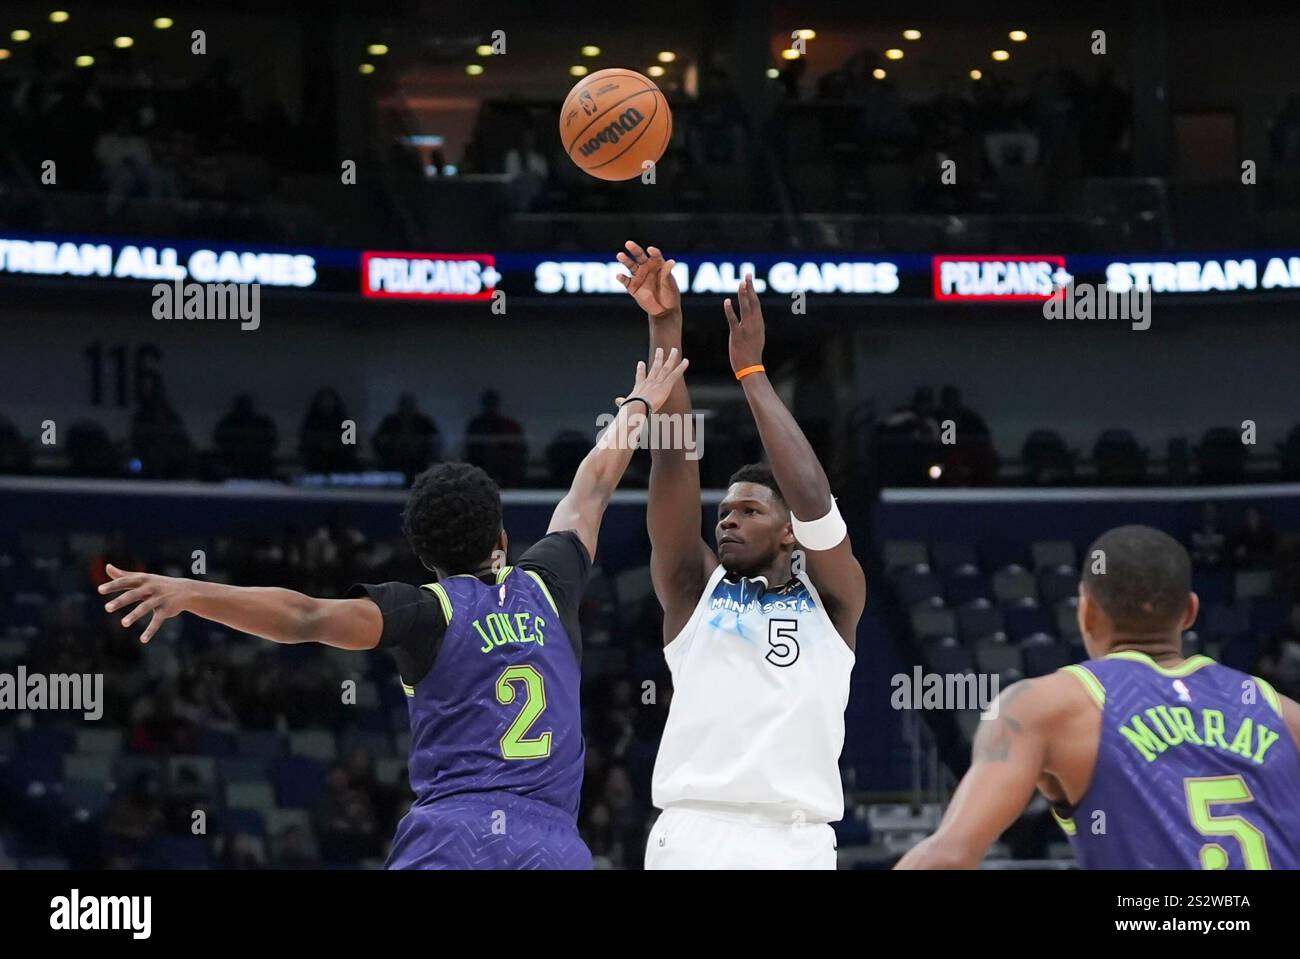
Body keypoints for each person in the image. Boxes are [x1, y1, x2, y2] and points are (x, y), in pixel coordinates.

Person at [100, 348, 688, 869]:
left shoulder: (423, 612)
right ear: (503, 538)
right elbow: (592, 486)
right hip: (551, 845)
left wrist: (191, 592)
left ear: (423, 554)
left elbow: (304, 616)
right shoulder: (551, 583)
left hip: (451, 837)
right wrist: (638, 403)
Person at [617, 242, 866, 869]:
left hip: (799, 839)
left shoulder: (835, 602)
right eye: (724, 512)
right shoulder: (693, 589)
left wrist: (750, 374)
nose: (727, 520)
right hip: (696, 832)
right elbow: (673, 457)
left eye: (750, 511)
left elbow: (812, 495)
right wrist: (664, 327)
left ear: (788, 533)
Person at [895, 525, 1300, 869]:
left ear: (1086, 612)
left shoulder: (1043, 707)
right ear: (1190, 612)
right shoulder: (1281, 712)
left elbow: (950, 855)